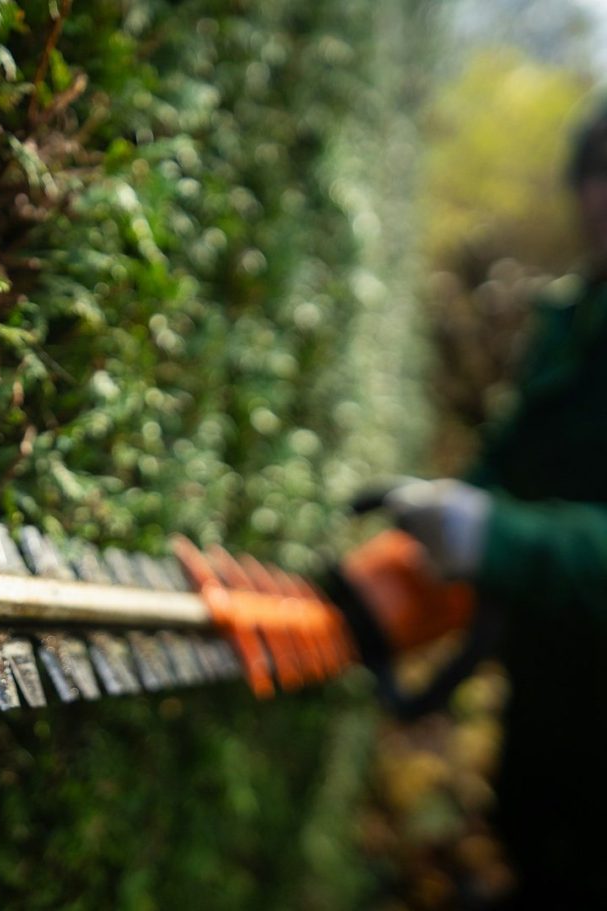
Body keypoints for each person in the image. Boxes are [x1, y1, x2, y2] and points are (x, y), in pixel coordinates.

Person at [375, 104, 607, 908]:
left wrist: (494, 536)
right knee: (534, 832)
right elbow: (509, 460)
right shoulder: (571, 320)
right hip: (550, 684)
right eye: (597, 172)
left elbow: (504, 523)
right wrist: (443, 521)